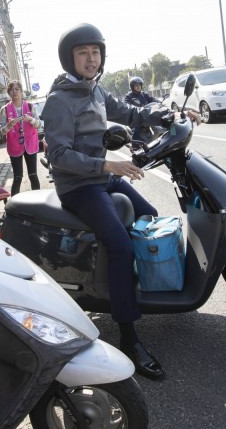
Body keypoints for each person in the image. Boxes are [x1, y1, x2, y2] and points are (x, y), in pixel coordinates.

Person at [41, 23, 200, 380]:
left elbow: (131, 112)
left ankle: (142, 287)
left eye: (95, 52)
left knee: (149, 216)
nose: (91, 58)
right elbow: (59, 156)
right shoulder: (59, 100)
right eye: (83, 53)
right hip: (80, 186)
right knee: (121, 245)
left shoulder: (96, 91)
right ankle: (128, 335)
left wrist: (170, 113)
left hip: (102, 176)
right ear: (71, 58)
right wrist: (107, 164)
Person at [0, 80, 41, 196]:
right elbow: (1, 131)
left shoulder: (30, 106)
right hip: (14, 146)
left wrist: (30, 119)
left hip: (30, 144)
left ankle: (38, 201)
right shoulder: (4, 110)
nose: (14, 92)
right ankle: (14, 204)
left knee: (33, 175)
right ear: (9, 93)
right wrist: (9, 126)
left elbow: (38, 125)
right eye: (11, 90)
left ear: (22, 92)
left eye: (17, 89)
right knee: (17, 177)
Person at [123, 76, 160, 144]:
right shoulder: (128, 96)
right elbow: (126, 106)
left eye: (140, 85)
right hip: (136, 120)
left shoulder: (144, 94)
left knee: (158, 129)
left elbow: (151, 99)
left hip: (146, 117)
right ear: (132, 86)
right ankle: (135, 148)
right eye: (136, 85)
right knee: (136, 136)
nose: (138, 86)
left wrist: (158, 101)